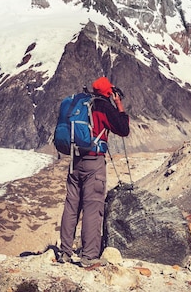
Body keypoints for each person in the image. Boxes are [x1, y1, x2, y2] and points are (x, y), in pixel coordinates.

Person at [58, 76, 130, 267]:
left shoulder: (83, 102)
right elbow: (123, 129)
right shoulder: (103, 106)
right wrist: (119, 104)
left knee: (71, 206)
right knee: (92, 207)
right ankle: (89, 257)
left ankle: (64, 253)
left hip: (75, 160)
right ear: (108, 91)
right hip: (93, 162)